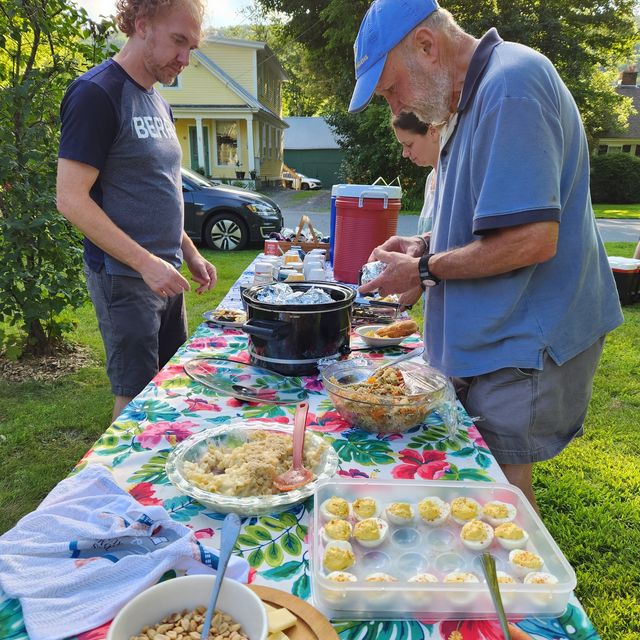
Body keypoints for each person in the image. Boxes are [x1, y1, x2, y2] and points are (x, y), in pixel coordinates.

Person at [351, 0, 623, 510]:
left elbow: (532, 240)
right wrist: (423, 246)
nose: (395, 109)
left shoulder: (512, 85)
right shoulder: (464, 103)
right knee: (477, 490)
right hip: (495, 339)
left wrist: (425, 268)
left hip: (525, 343)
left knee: (502, 497)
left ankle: (526, 591)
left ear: (427, 47)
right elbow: (485, 223)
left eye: (391, 89)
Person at [56, 0, 217, 422]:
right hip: (125, 278)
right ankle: (120, 489)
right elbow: (70, 199)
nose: (184, 59)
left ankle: (160, 482)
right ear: (142, 25)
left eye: (192, 48)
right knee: (136, 406)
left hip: (165, 275)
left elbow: (156, 189)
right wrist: (146, 264)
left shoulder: (159, 102)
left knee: (168, 389)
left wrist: (190, 251)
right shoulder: (97, 93)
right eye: (178, 41)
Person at [392, 111, 441, 307]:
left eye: (409, 144)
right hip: (435, 299)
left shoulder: (455, 178)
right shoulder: (431, 177)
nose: (405, 153)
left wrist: (420, 282)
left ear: (432, 131)